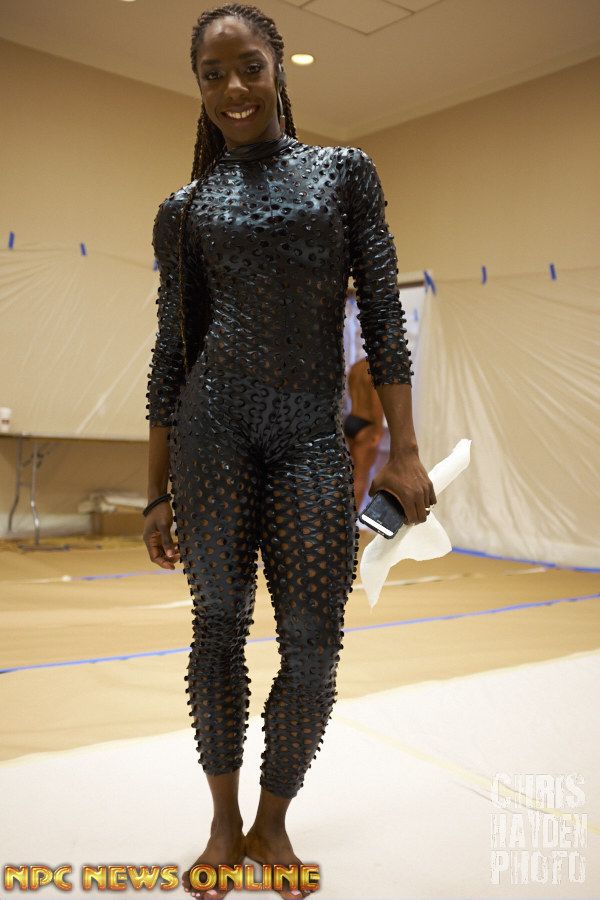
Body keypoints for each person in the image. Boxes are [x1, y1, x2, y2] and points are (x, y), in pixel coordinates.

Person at [142, 4, 437, 898]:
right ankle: (222, 823)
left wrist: (404, 450)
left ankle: (273, 821)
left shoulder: (344, 174)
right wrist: (154, 492)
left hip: (310, 435)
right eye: (213, 74)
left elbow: (382, 315)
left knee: (313, 641)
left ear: (278, 67)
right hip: (213, 433)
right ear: (199, 86)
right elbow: (170, 354)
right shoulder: (183, 210)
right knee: (218, 628)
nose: (233, 88)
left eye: (249, 67)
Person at [343, 357, 386, 511]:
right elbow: (376, 402)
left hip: (351, 420)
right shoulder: (375, 368)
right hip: (367, 425)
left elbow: (349, 393)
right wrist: (378, 429)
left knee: (348, 474)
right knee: (360, 476)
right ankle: (351, 519)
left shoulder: (355, 367)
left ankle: (342, 515)